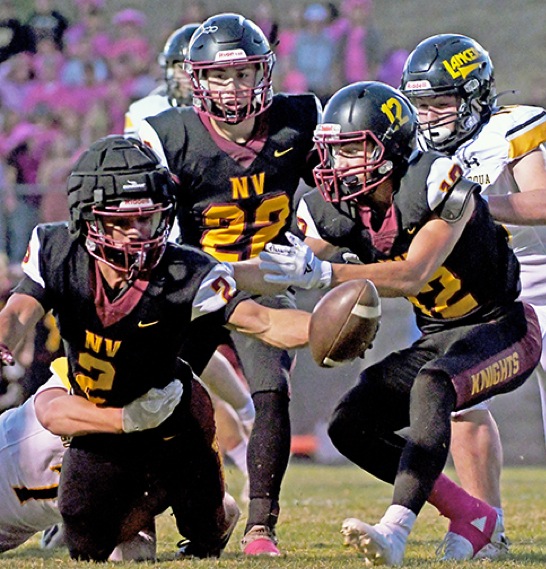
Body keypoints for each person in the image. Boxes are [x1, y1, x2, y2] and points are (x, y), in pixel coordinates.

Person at [258, 81, 542, 565]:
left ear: (389, 149)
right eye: (335, 151)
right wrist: (214, 275)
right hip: (440, 338)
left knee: (434, 384)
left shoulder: (434, 182)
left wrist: (326, 273)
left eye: (353, 150)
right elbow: (278, 264)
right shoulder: (336, 207)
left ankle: (396, 528)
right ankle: (472, 514)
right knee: (350, 424)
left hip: (504, 329)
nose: (339, 164)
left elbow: (414, 274)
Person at [0, 134, 310, 561]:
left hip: (147, 421)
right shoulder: (59, 253)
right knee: (84, 530)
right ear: (88, 218)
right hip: (79, 415)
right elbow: (19, 322)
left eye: (148, 218)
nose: (139, 233)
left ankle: (151, 512)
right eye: (124, 221)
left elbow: (262, 321)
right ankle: (123, 515)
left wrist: (325, 326)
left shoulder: (182, 272)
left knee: (152, 505)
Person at [138, 12, 321, 556]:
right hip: (195, 287)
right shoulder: (170, 134)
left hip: (263, 282)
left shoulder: (299, 119)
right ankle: (136, 513)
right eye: (220, 76)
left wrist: (324, 249)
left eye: (243, 74)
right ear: (197, 79)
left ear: (264, 73)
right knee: (153, 392)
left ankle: (261, 525)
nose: (234, 87)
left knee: (271, 391)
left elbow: (336, 196)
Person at [400, 33, 546, 558]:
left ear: (474, 96)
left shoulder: (510, 128)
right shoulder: (415, 150)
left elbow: (545, 201)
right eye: (421, 105)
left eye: (441, 102)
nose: (429, 116)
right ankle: (487, 528)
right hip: (482, 296)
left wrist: (474, 205)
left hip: (544, 284)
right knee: (460, 402)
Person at [126, 22, 255, 497]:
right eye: (179, 67)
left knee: (181, 352)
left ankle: (244, 424)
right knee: (170, 355)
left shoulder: (224, 115)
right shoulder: (149, 113)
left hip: (206, 243)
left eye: (191, 67)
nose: (185, 76)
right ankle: (243, 422)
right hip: (160, 237)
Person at [0, 362, 174, 560]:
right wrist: (124, 419)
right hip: (10, 466)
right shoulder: (94, 366)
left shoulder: (162, 448)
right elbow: (50, 414)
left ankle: (67, 523)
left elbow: (117, 546)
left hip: (19, 524)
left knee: (137, 552)